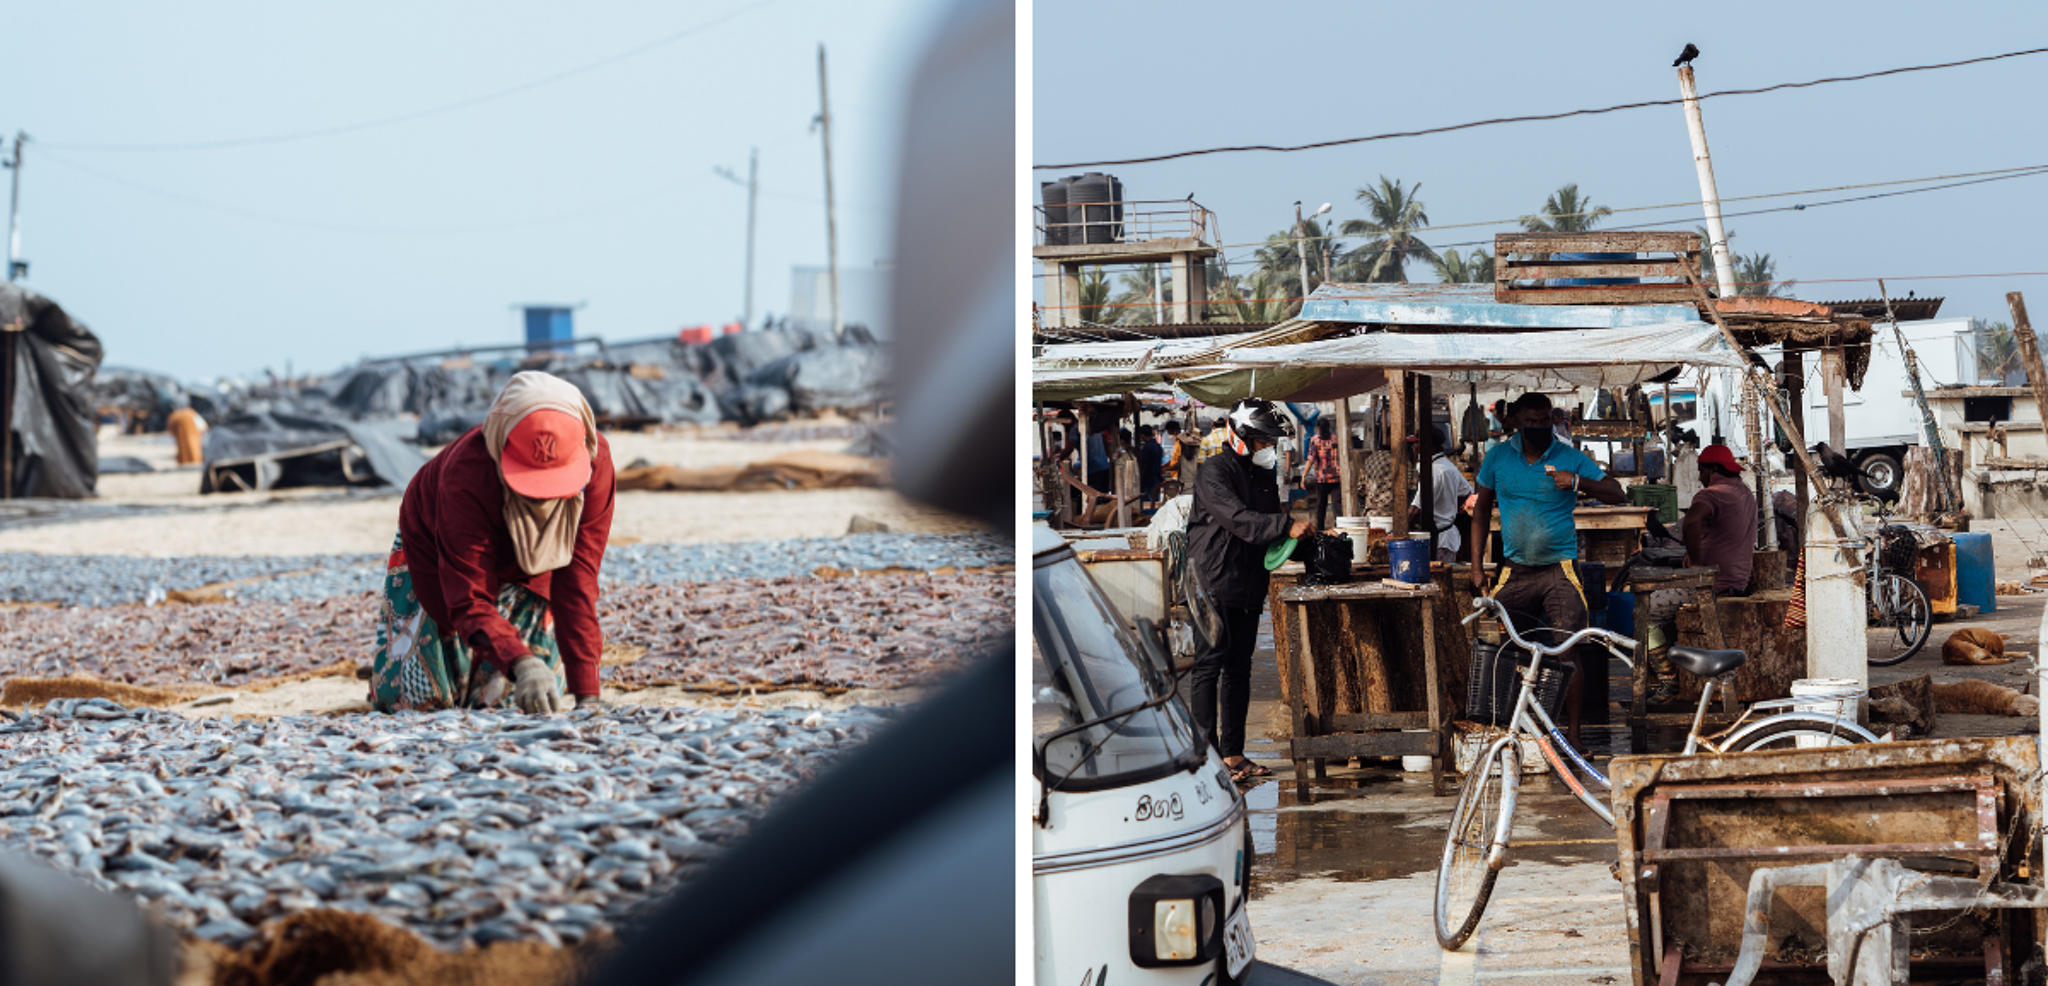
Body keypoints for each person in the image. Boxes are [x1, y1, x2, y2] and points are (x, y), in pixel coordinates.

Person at [371, 371, 616, 714]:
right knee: (419, 703)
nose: (542, 498)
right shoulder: (468, 474)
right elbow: (468, 594)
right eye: (532, 485)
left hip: (538, 558)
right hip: (439, 545)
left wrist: (588, 693)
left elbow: (578, 579)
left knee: (516, 704)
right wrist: (522, 663)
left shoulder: (594, 464)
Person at [1471, 392, 1627, 748]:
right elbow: (1480, 512)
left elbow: (1617, 493)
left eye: (1544, 421)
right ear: (1516, 422)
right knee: (1510, 650)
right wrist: (1476, 567)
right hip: (1515, 569)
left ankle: (1573, 737)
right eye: (1531, 422)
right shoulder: (1497, 457)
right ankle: (1518, 735)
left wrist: (1577, 482)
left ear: (1552, 420)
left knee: (1567, 650)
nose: (1539, 427)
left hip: (1560, 569)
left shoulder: (1569, 457)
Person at [1187, 398, 1313, 783]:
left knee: (1239, 670)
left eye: (1270, 442)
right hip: (1211, 580)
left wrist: (1306, 539)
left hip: (1248, 581)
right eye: (1262, 441)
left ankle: (1233, 754)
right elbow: (1240, 520)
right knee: (1208, 667)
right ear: (1240, 436)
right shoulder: (1214, 471)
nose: (1267, 448)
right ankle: (1206, 758)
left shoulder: (1263, 475)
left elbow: (1269, 526)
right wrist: (1286, 525)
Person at [1643, 443, 1758, 703]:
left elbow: (1692, 522)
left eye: (1702, 470)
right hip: (1738, 579)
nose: (1699, 476)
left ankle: (1668, 681)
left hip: (1711, 583)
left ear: (1714, 469)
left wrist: (1695, 562)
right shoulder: (1744, 492)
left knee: (1643, 612)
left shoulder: (1712, 494)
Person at [1409, 424, 1473, 564]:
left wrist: (1400, 531)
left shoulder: (1435, 471)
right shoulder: (1448, 466)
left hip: (1439, 540)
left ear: (1426, 446)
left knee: (1435, 575)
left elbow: (1415, 509)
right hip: (1446, 536)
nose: (1414, 448)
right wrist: (1448, 507)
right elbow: (1466, 491)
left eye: (1416, 444)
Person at [1303, 419, 1343, 529]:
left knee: (1321, 505)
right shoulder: (1336, 439)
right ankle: (1340, 529)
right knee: (1337, 505)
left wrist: (1304, 476)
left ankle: (1320, 530)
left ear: (1318, 428)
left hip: (1322, 479)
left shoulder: (1315, 440)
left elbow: (1311, 459)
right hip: (1336, 478)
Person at [166, 398, 208, 466]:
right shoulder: (191, 413)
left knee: (184, 454)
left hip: (181, 446)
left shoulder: (173, 416)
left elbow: (170, 431)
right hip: (194, 442)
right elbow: (203, 426)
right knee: (194, 452)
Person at [1136, 424, 1164, 503]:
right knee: (1156, 502)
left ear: (1142, 435)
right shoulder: (1158, 446)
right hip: (1157, 480)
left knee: (1148, 504)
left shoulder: (1146, 448)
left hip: (1148, 481)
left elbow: (1145, 466)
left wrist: (1141, 479)